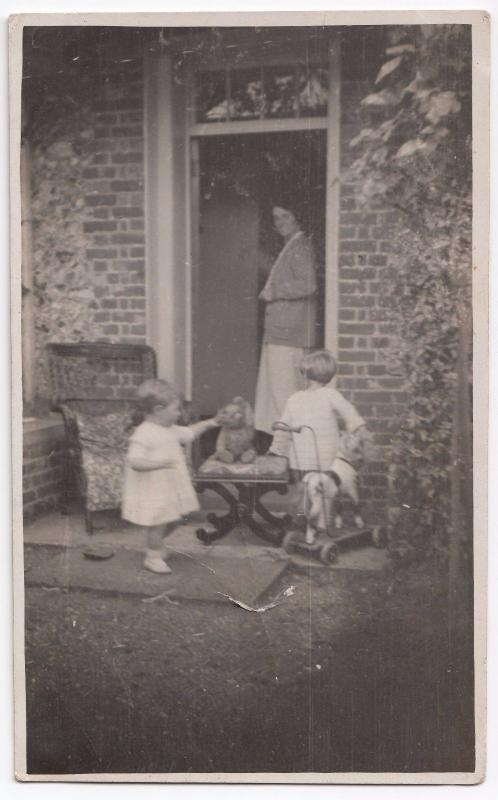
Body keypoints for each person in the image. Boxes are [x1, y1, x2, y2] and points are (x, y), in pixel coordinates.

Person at [121, 378, 218, 574]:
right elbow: (135, 461)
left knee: (174, 519)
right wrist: (160, 464)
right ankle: (153, 556)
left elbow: (190, 432)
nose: (179, 413)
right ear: (158, 410)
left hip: (170, 487)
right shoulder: (144, 433)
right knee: (158, 524)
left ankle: (156, 546)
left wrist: (212, 422)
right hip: (154, 489)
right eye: (176, 409)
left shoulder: (170, 429)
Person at [270, 350, 367, 525]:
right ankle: (312, 523)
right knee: (322, 491)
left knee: (307, 490)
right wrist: (357, 426)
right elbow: (349, 412)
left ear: (306, 374)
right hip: (323, 458)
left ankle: (310, 524)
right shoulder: (323, 396)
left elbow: (282, 426)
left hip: (305, 458)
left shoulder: (298, 398)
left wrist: (277, 449)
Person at [254, 203, 318, 437]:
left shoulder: (300, 247)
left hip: (288, 334)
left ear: (297, 217)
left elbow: (309, 284)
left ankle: (293, 447)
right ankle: (283, 446)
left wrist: (276, 290)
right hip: (282, 332)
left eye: (285, 216)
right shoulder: (290, 247)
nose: (280, 222)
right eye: (276, 218)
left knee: (284, 393)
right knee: (278, 392)